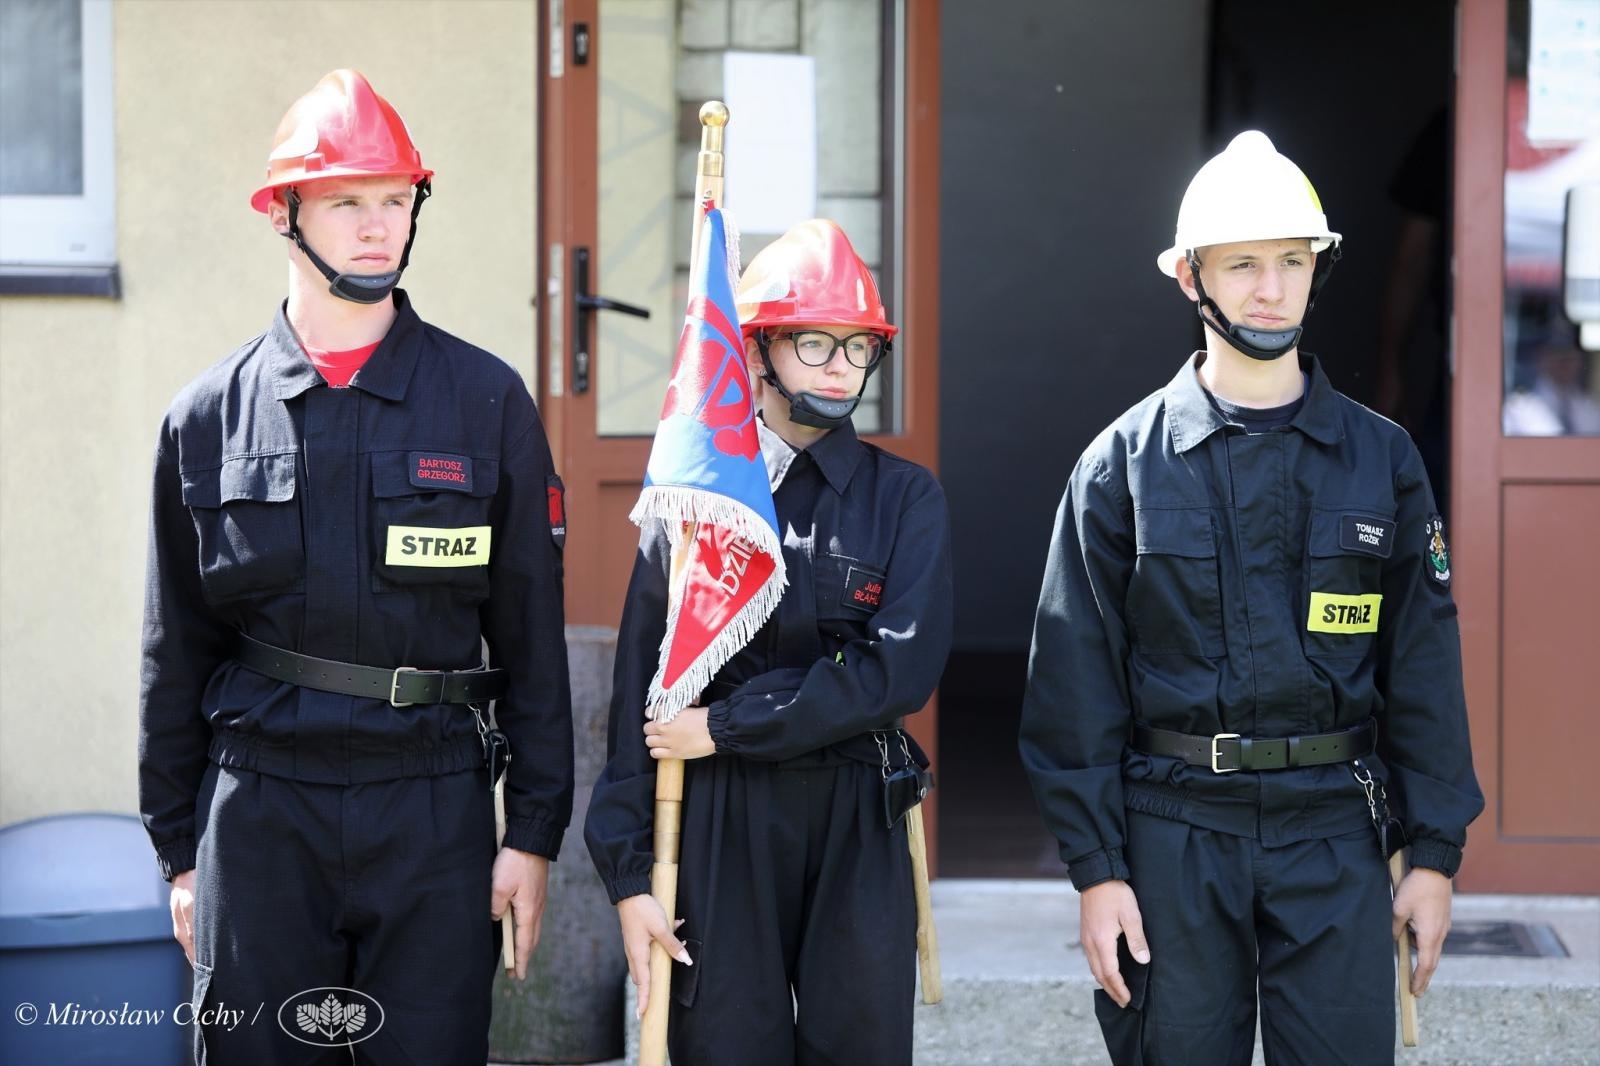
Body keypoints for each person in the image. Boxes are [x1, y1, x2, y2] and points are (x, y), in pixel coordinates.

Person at [1018, 132, 1483, 1065]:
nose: (1271, 289)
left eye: (1292, 262)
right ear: (1191, 279)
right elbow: (1075, 685)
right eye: (1242, 266)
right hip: (1175, 837)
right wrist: (1097, 871)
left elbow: (1424, 664)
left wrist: (1432, 855)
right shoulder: (1120, 468)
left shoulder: (1382, 459)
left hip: (1335, 835)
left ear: (1319, 270)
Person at [138, 70, 573, 1064]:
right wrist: (179, 850)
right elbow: (174, 647)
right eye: (347, 202)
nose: (379, 227)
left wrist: (532, 831)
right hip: (259, 810)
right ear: (284, 214)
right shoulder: (207, 418)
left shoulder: (485, 401)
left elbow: (530, 633)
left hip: (430, 805)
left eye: (396, 200)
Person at [584, 220, 952, 1065]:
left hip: (858, 806)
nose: (839, 367)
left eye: (858, 348)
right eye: (814, 342)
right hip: (715, 816)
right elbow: (642, 694)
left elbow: (895, 670)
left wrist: (727, 724)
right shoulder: (696, 504)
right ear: (753, 351)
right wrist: (630, 876)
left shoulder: (905, 500)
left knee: (858, 1044)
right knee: (724, 1043)